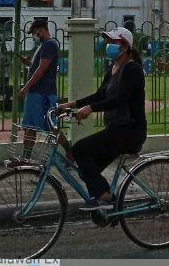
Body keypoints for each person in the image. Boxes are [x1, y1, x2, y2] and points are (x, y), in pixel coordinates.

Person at [60, 26, 146, 212]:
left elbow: (119, 99)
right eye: (108, 41)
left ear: (125, 46)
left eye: (113, 41)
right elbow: (100, 95)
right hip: (116, 129)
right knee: (86, 170)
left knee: (80, 149)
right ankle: (108, 210)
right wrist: (70, 105)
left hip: (130, 130)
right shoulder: (113, 68)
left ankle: (105, 198)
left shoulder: (133, 69)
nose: (108, 45)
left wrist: (90, 109)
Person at [17, 18, 60, 155]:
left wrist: (26, 88)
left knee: (39, 128)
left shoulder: (49, 45)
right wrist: (29, 64)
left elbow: (42, 69)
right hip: (40, 92)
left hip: (41, 92)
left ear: (43, 30)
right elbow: (41, 68)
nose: (35, 36)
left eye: (37, 33)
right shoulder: (44, 45)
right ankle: (26, 156)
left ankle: (26, 156)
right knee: (34, 127)